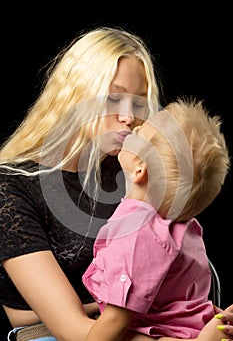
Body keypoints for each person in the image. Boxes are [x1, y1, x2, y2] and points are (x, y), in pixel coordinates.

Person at [0, 25, 232, 341]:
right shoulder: (11, 188)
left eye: (138, 103)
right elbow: (75, 331)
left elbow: (175, 283)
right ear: (73, 95)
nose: (128, 117)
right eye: (113, 99)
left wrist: (214, 321)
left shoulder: (135, 168)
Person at [82, 98, 233, 341]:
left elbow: (115, 319)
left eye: (142, 131)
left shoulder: (134, 233)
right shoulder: (180, 226)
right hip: (188, 323)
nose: (135, 127)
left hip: (167, 333)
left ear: (140, 169)